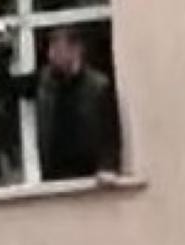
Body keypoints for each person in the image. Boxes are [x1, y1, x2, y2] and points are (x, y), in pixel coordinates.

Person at [15, 26, 122, 182]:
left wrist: (108, 167)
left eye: (58, 49)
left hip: (90, 177)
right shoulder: (44, 81)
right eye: (50, 49)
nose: (51, 56)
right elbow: (10, 87)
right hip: (54, 176)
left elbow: (110, 134)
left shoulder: (98, 87)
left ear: (76, 50)